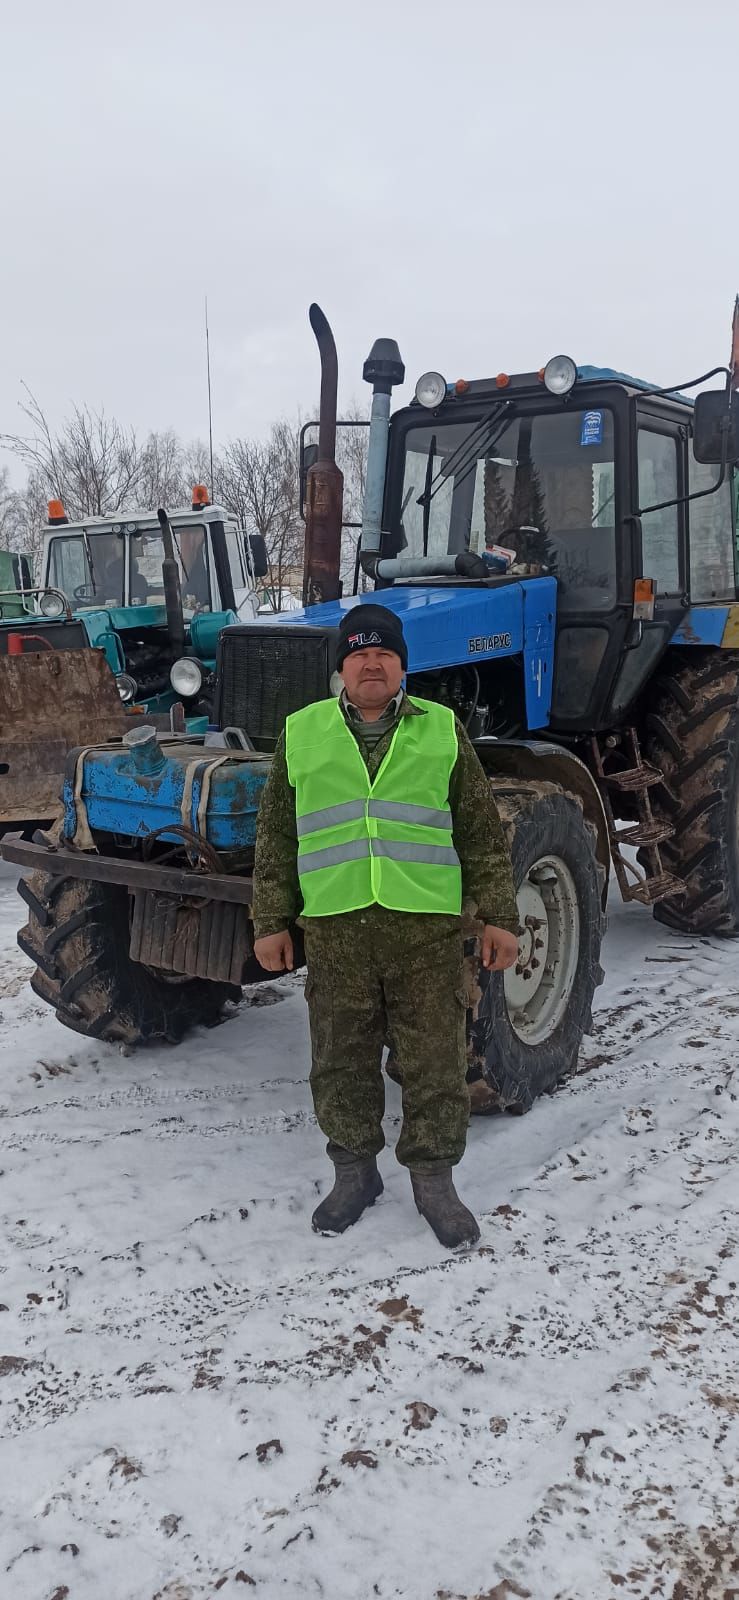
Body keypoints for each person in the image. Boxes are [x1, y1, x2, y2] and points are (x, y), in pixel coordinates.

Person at [252, 604, 520, 1249]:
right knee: (341, 1058)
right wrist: (271, 920)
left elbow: (480, 832)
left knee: (433, 1060)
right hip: (337, 927)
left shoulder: (441, 730)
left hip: (424, 928)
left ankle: (434, 1181)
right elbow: (276, 836)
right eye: (358, 653)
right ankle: (354, 1174)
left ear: (402, 665)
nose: (372, 663)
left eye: (385, 654)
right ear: (341, 666)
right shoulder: (302, 731)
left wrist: (501, 916)